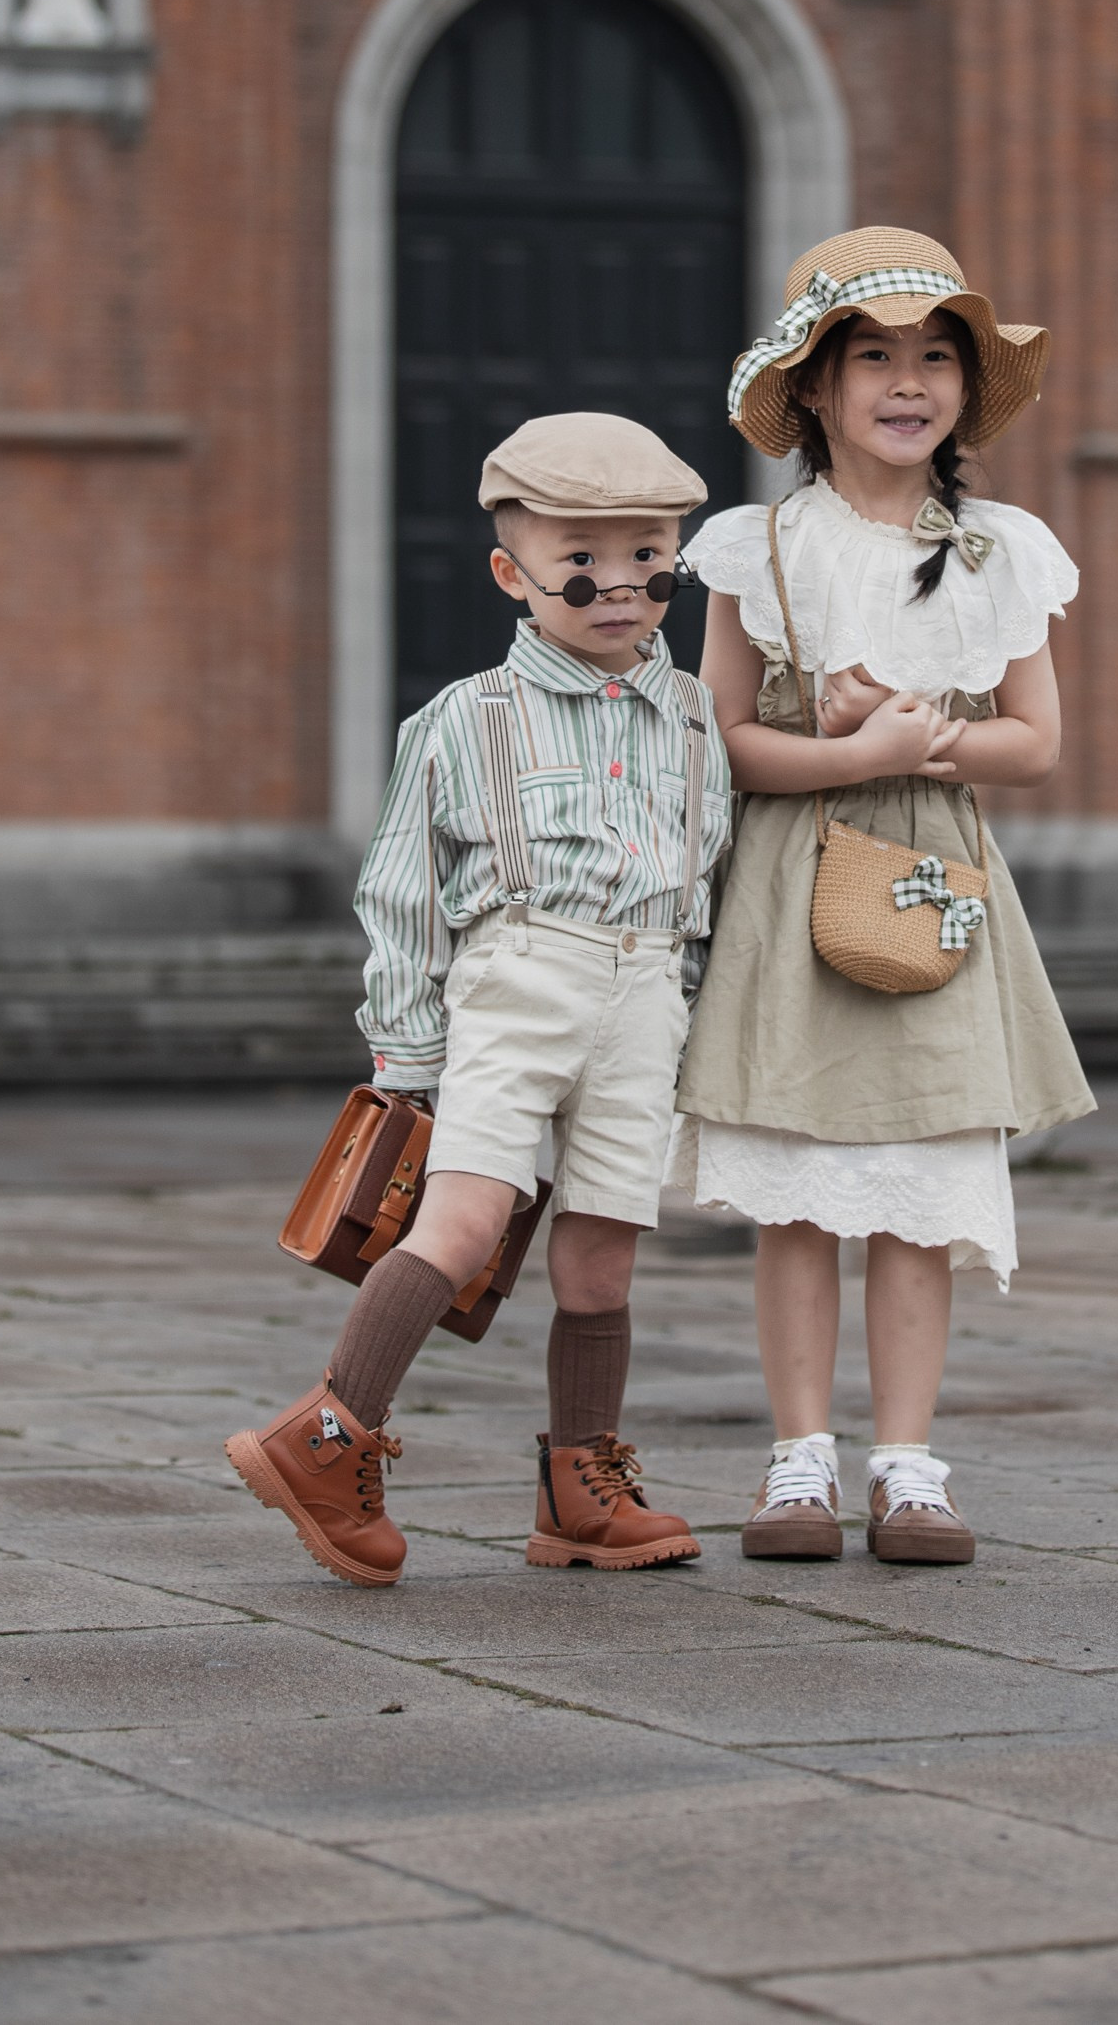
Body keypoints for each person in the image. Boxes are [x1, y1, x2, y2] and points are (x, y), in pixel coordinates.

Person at [226, 412, 731, 1587]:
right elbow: (399, 887)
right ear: (514, 572)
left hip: (646, 986)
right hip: (520, 978)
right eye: (583, 560)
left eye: (649, 558)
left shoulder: (697, 719)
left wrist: (687, 1020)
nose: (621, 586)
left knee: (601, 1255)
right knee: (455, 1231)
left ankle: (578, 1488)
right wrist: (408, 1054)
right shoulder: (464, 718)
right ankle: (327, 1438)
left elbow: (709, 874)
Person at [671, 228, 1095, 1567]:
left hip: (936, 874)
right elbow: (725, 736)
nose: (906, 385)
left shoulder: (995, 553)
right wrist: (846, 755)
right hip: (799, 870)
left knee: (918, 1176)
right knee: (801, 1182)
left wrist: (925, 745)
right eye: (873, 359)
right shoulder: (762, 551)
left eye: (933, 360)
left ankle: (908, 1463)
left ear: (966, 389)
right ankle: (800, 1458)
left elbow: (1035, 739)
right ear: (813, 389)